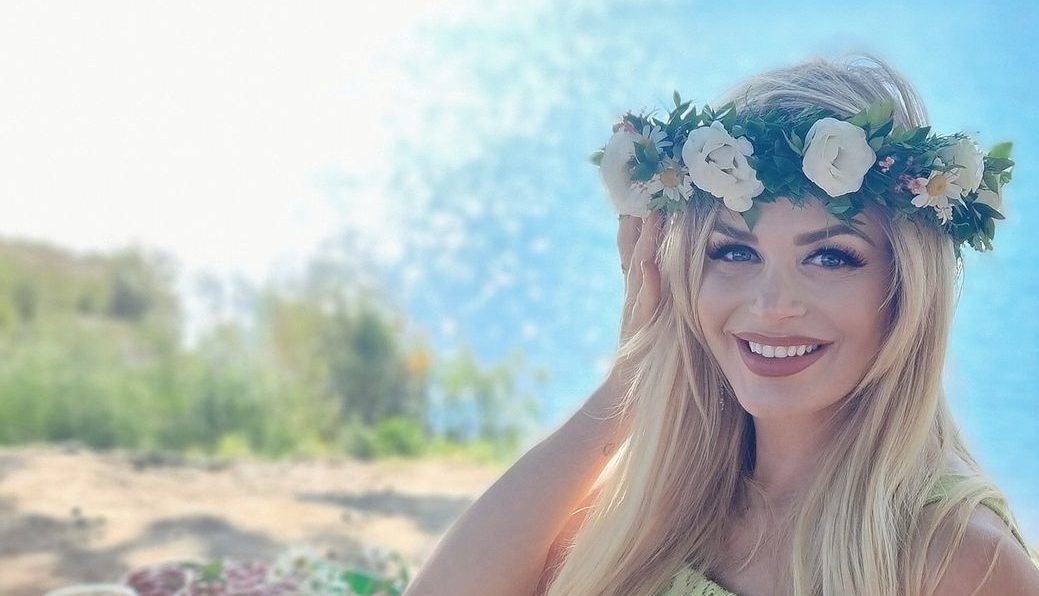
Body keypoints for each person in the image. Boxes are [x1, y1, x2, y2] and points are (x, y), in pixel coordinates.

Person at [403, 54, 1039, 596]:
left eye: (830, 257)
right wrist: (629, 383)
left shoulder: (956, 560)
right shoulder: (652, 510)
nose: (772, 303)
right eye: (734, 251)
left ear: (906, 289)